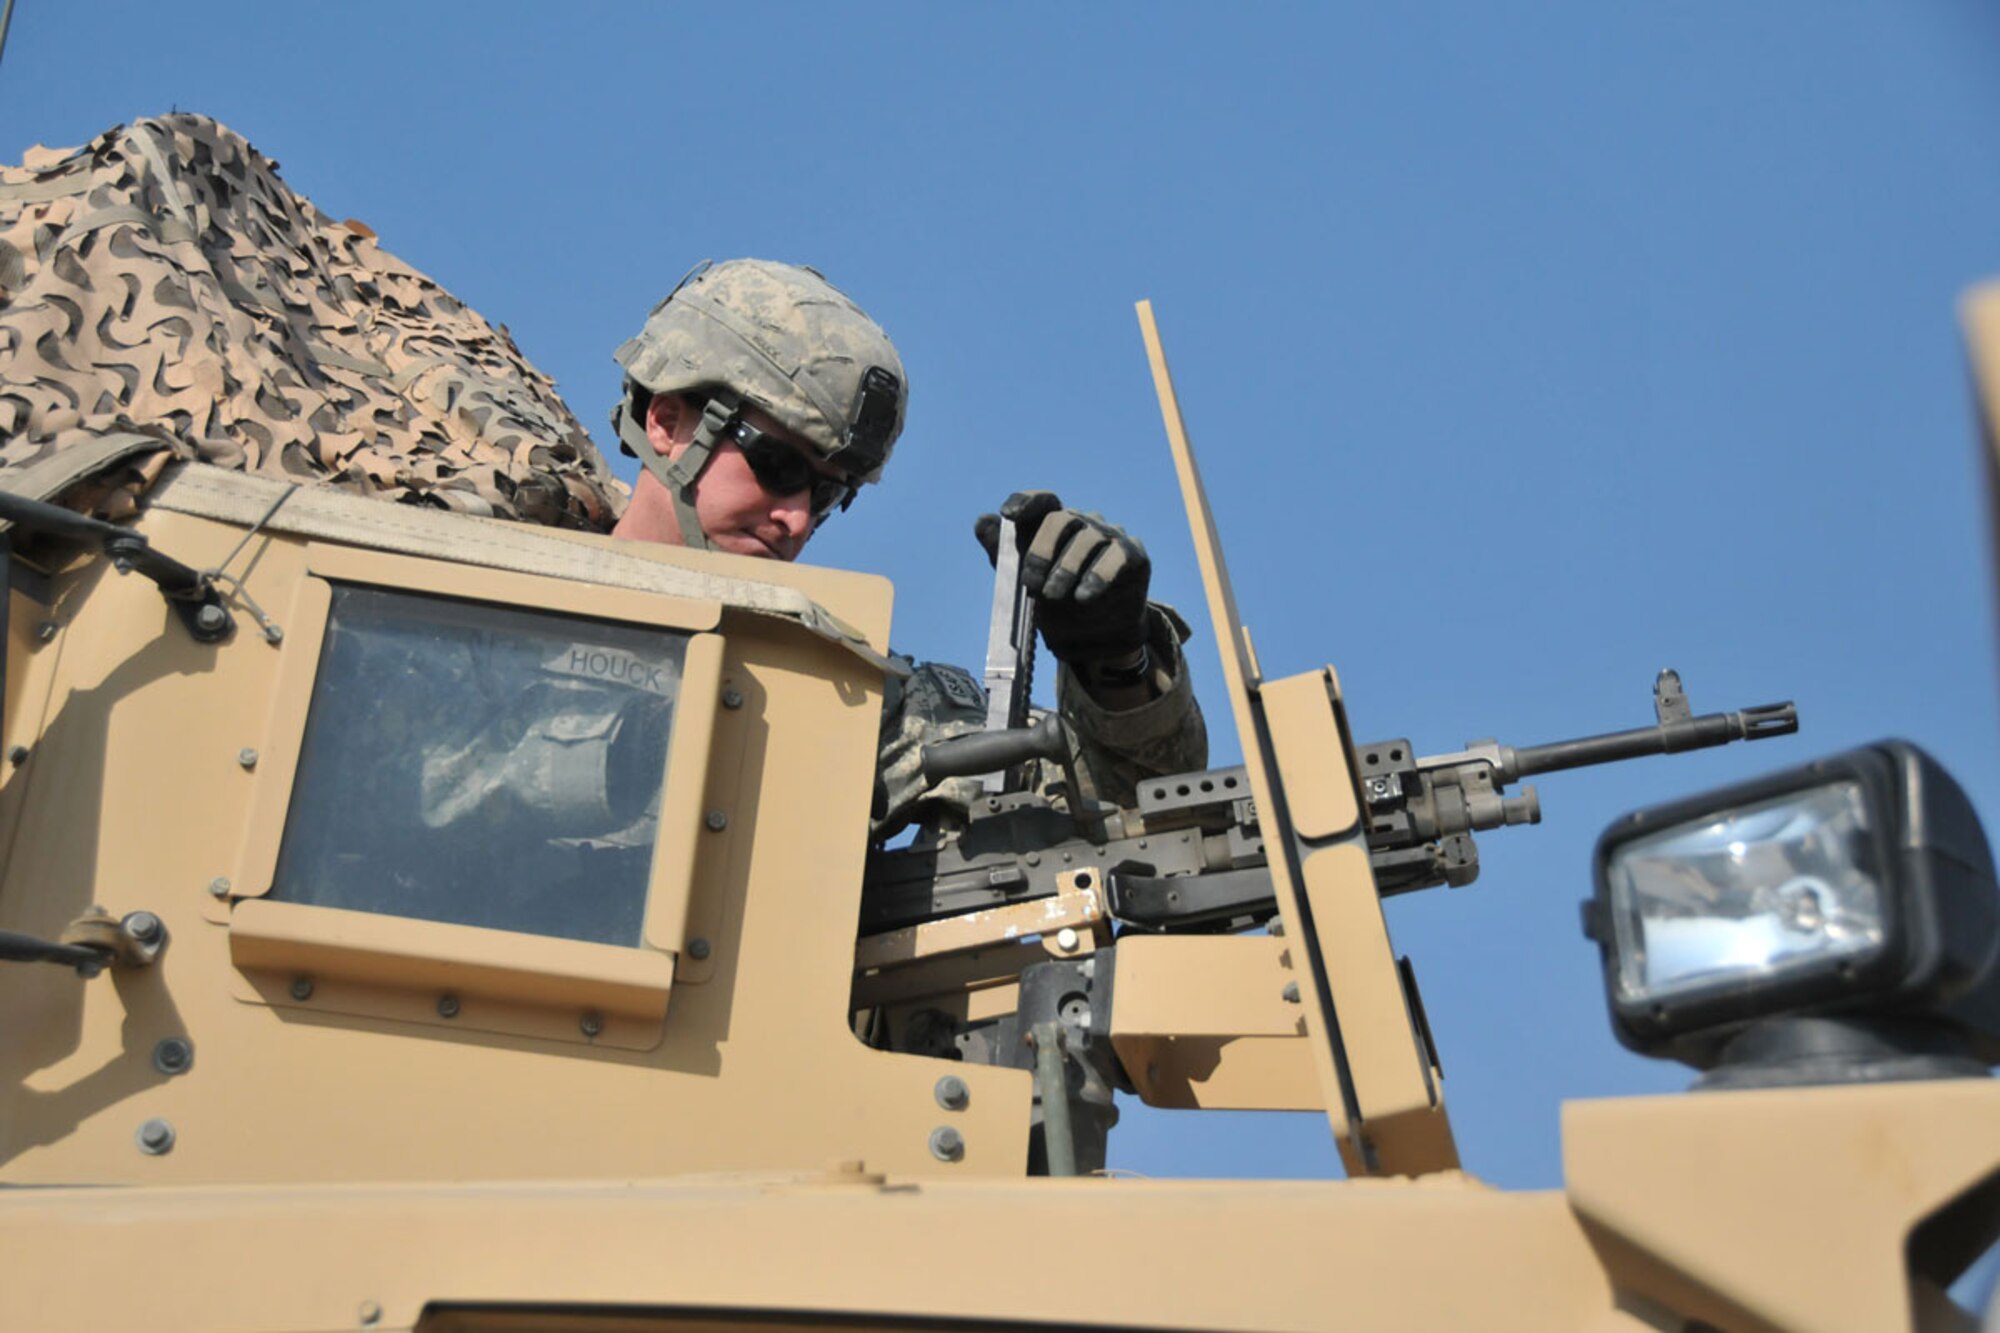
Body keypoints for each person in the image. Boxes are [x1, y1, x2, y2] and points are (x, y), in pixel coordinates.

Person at [605, 259, 1206, 839]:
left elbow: (1126, 811)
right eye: (778, 465)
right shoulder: (539, 604)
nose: (796, 519)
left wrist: (1115, 662)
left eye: (827, 494)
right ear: (666, 422)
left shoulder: (842, 697)